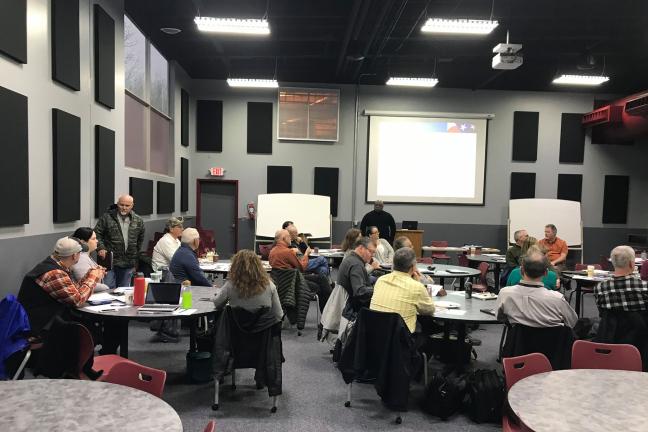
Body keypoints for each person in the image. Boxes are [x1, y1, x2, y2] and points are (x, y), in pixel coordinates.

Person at [17, 237, 104, 335]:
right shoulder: (55, 273)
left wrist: (89, 275)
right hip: (40, 325)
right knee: (92, 327)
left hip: (44, 318)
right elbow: (77, 300)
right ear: (75, 256)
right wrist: (93, 277)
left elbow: (73, 291)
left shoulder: (53, 263)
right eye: (80, 252)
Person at [495, 249, 577, 328]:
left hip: (518, 340)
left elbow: (500, 318)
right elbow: (572, 322)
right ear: (546, 273)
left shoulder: (505, 293)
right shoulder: (557, 298)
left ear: (521, 271)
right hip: (551, 341)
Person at [370, 247, 435, 333]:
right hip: (401, 341)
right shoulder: (417, 287)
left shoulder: (380, 280)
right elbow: (430, 310)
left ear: (393, 264)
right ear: (413, 267)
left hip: (375, 335)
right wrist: (419, 283)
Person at [213, 250, 283, 323]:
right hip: (262, 332)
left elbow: (217, 304)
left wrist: (218, 294)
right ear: (259, 266)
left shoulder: (230, 285)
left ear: (235, 266)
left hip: (236, 331)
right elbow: (279, 315)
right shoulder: (270, 285)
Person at [269, 229, 330, 311]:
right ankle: (328, 313)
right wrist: (306, 254)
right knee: (321, 285)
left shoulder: (272, 251)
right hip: (294, 283)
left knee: (322, 277)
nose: (290, 238)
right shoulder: (288, 252)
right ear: (283, 238)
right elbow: (302, 268)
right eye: (289, 236)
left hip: (284, 282)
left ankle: (328, 313)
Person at [94, 195, 145, 288]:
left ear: (132, 205)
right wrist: (100, 248)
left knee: (124, 290)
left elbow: (140, 239)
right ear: (117, 204)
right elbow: (96, 234)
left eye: (127, 205)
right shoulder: (106, 217)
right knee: (107, 288)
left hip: (128, 262)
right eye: (122, 205)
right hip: (110, 261)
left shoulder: (138, 220)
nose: (124, 208)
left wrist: (135, 254)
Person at [595, 245, 648, 312]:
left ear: (613, 263)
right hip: (640, 322)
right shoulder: (645, 287)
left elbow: (602, 313)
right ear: (631, 264)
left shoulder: (600, 288)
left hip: (611, 322)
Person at [338, 237, 375, 321]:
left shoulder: (349, 258)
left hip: (347, 306)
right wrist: (376, 290)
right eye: (370, 251)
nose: (372, 255)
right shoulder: (356, 265)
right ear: (361, 248)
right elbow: (359, 292)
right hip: (354, 311)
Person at [70, 227, 109, 292]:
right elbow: (85, 284)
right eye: (93, 239)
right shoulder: (81, 259)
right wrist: (107, 288)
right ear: (83, 242)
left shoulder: (86, 256)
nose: (97, 241)